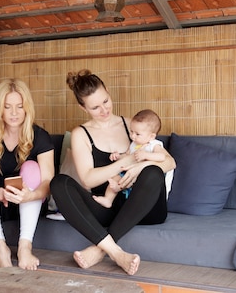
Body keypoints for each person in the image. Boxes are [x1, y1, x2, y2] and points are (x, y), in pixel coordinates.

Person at [50, 70, 176, 276]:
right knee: (59, 183)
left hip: (145, 208)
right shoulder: (81, 134)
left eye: (105, 101)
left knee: (152, 171)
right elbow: (88, 178)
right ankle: (117, 253)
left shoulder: (131, 125)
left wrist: (140, 166)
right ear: (83, 107)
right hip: (106, 207)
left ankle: (100, 250)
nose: (104, 110)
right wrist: (126, 161)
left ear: (108, 91)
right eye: (95, 107)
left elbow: (170, 161)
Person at [0, 78, 54, 271]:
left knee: (32, 167)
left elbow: (48, 181)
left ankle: (25, 246)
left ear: (27, 108)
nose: (14, 113)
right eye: (7, 107)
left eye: (19, 106)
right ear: (0, 109)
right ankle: (0, 246)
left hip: (29, 204)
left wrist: (30, 195)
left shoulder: (40, 136)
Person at [93, 109, 167, 208]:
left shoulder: (154, 145)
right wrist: (118, 156)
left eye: (137, 134)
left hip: (143, 176)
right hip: (129, 171)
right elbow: (127, 156)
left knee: (125, 181)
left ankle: (118, 188)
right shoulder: (134, 144)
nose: (132, 136)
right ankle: (108, 199)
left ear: (151, 136)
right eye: (131, 131)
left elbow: (161, 157)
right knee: (115, 179)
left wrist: (146, 155)